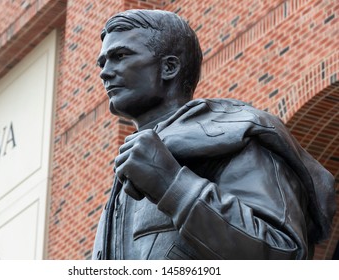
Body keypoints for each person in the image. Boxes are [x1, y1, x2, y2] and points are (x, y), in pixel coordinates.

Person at [92, 9, 336, 260]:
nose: (104, 72)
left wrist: (172, 184)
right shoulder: (123, 182)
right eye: (102, 62)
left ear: (169, 67)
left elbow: (283, 257)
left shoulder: (235, 138)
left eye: (120, 56)